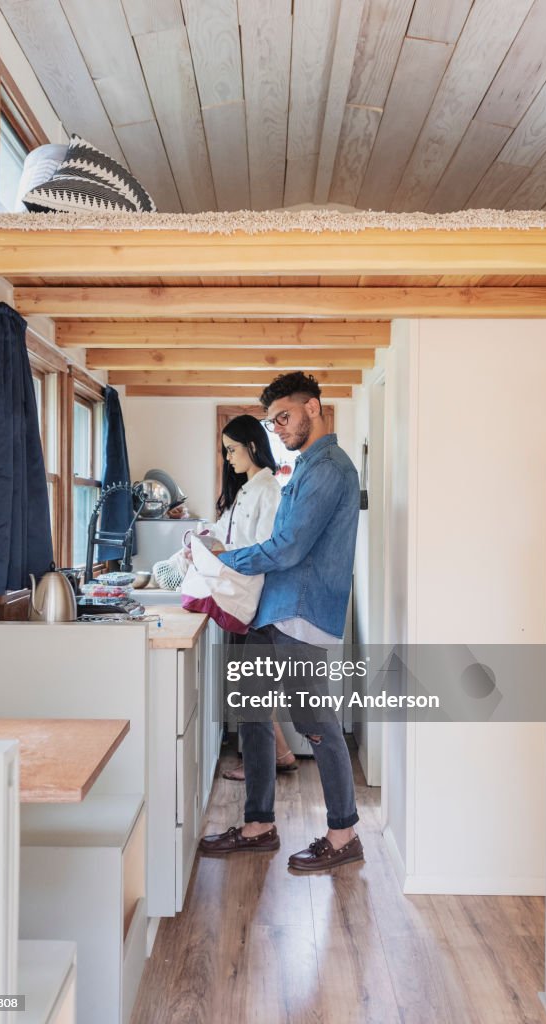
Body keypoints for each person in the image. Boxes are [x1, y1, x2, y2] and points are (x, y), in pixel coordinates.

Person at [199, 372, 363, 872]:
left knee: (315, 723)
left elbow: (290, 547)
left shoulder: (330, 468)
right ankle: (259, 824)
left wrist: (232, 559)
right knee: (251, 711)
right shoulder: (304, 466)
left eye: (285, 417)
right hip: (275, 611)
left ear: (313, 408)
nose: (280, 428)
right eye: (274, 422)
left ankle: (344, 833)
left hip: (302, 612)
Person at [210, 414, 298, 779]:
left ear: (252, 446)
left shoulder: (268, 490)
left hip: (253, 599)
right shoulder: (245, 489)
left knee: (252, 690)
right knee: (251, 688)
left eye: (232, 449)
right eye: (224, 451)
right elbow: (226, 534)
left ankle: (267, 760)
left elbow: (263, 550)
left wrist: (221, 554)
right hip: (238, 595)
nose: (228, 457)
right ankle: (279, 754)